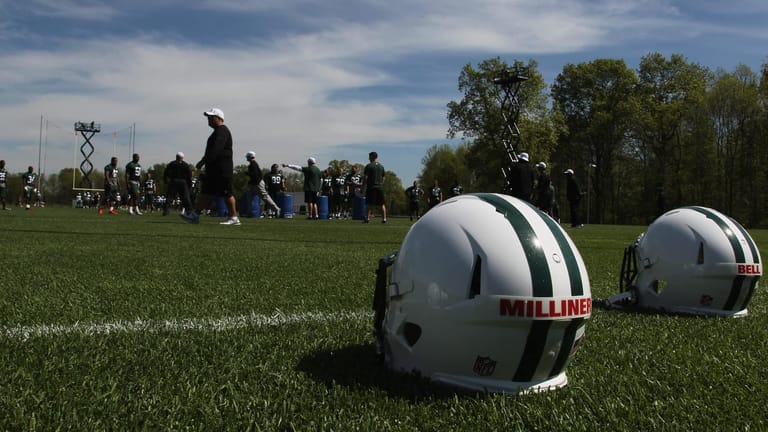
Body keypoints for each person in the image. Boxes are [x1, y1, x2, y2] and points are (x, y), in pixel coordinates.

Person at [181, 108, 240, 225]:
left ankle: (234, 218)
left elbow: (216, 149)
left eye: (211, 117)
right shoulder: (216, 132)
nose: (208, 119)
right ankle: (195, 215)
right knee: (206, 192)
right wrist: (204, 162)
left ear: (219, 118)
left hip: (222, 169)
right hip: (214, 169)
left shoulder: (222, 131)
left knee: (227, 193)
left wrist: (204, 161)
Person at [244, 151, 280, 218]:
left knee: (265, 197)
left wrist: (247, 173)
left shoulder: (253, 164)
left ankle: (276, 209)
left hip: (257, 184)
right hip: (254, 183)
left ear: (250, 157)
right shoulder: (253, 164)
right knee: (249, 198)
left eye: (247, 156)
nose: (246, 158)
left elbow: (255, 175)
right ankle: (250, 213)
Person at [164, 152, 193, 216]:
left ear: (176, 157)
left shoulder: (172, 164)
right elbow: (189, 176)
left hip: (173, 181)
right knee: (185, 197)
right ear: (182, 157)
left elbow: (166, 172)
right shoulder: (186, 165)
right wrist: (189, 185)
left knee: (170, 196)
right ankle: (189, 211)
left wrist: (166, 180)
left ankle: (166, 210)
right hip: (183, 182)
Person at [362, 151, 387, 223]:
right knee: (382, 204)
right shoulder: (381, 166)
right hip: (379, 187)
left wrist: (363, 187)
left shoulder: (369, 166)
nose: (368, 158)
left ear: (372, 157)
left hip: (371, 187)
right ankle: (384, 219)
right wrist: (381, 184)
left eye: (369, 156)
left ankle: (367, 218)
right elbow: (383, 177)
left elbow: (365, 177)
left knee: (368, 204)